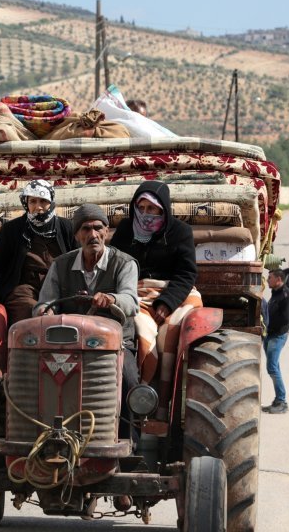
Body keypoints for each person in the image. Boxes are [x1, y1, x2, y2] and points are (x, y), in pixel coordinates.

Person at [35, 203, 140, 422]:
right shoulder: (61, 265)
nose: (93, 234)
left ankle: (130, 445)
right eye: (85, 229)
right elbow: (44, 303)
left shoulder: (124, 263)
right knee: (29, 377)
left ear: (107, 231)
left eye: (98, 227)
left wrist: (111, 299)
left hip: (114, 345)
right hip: (66, 343)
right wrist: (46, 312)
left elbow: (131, 302)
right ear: (76, 236)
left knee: (129, 382)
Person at [110, 180, 201, 418]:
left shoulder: (181, 232)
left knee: (170, 334)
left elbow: (187, 273)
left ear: (164, 210)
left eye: (153, 209)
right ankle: (139, 398)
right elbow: (115, 265)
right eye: (141, 208)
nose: (146, 214)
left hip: (176, 295)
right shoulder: (125, 230)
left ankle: (164, 409)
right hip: (136, 293)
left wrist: (167, 302)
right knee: (141, 331)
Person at [0, 179, 78, 325]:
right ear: (26, 204)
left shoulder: (67, 227)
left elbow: (80, 259)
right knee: (32, 314)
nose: (38, 207)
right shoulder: (12, 229)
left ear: (51, 202)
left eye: (43, 201)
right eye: (33, 201)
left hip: (60, 287)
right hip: (24, 288)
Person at [262, 269, 289, 414]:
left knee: (272, 368)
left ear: (279, 279)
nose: (267, 280)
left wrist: (270, 326)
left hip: (277, 336)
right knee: (274, 368)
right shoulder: (276, 293)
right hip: (269, 335)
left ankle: (282, 402)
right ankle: (277, 401)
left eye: (270, 278)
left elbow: (286, 319)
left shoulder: (287, 295)